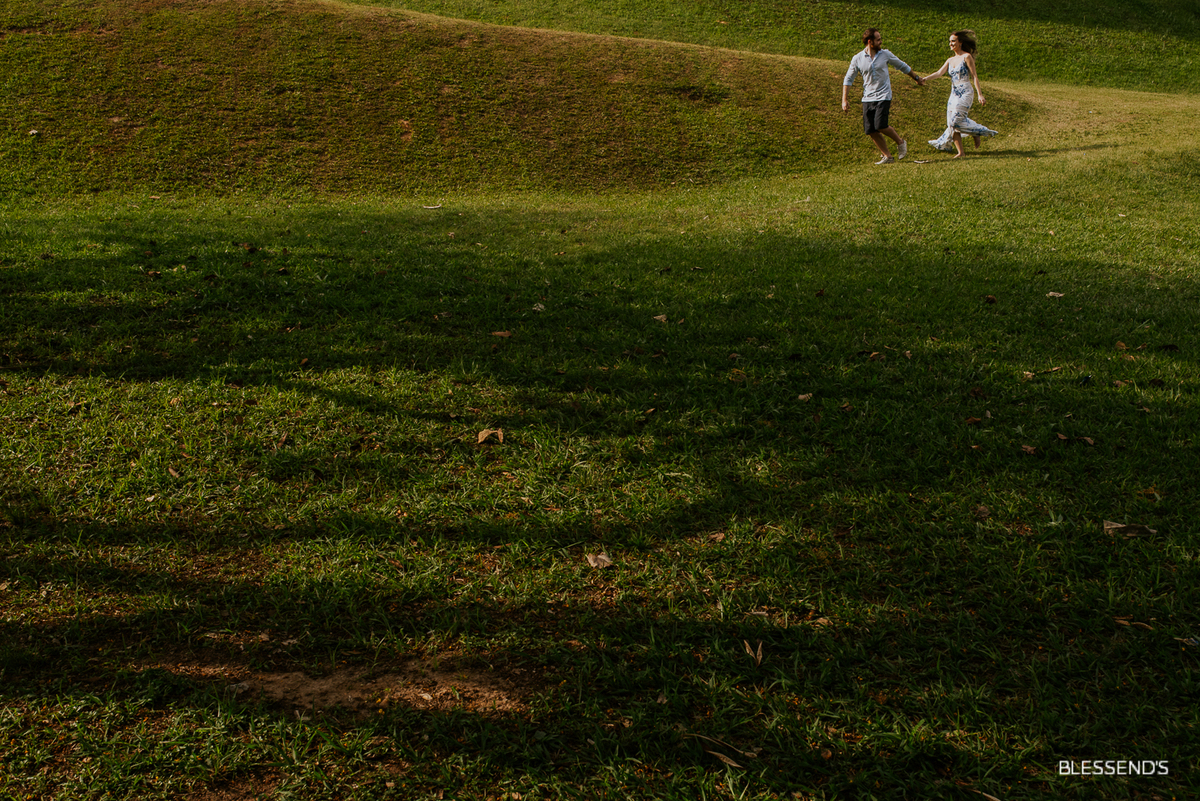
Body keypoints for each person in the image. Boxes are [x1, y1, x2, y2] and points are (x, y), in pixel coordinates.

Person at [841, 28, 924, 165]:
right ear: (870, 42)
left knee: (880, 125)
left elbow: (902, 66)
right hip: (867, 98)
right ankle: (888, 156)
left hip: (883, 95)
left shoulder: (885, 54)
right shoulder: (857, 58)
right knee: (870, 130)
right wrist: (844, 99)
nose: (881, 42)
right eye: (878, 39)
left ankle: (900, 142)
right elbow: (848, 79)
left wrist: (916, 77)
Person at [923, 30, 997, 158]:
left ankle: (977, 132)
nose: (950, 44)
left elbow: (974, 76)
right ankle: (961, 152)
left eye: (953, 41)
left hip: (965, 92)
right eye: (949, 42)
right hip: (954, 93)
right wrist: (924, 79)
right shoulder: (950, 60)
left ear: (960, 42)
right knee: (951, 123)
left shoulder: (966, 57)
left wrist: (980, 94)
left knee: (955, 121)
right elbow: (939, 73)